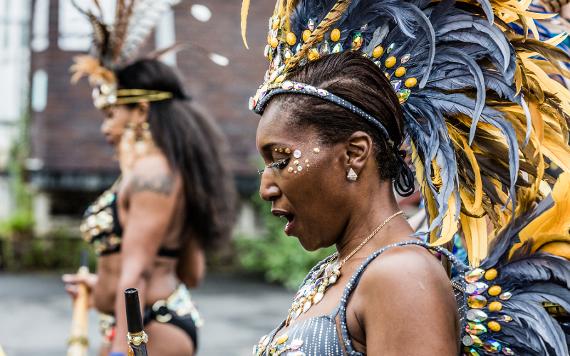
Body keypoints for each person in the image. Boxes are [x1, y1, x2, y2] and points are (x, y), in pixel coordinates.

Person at [242, 0, 570, 354]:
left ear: (355, 153)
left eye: (281, 159)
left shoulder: (401, 275)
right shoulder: (343, 270)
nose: (266, 188)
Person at [62, 2, 235, 356]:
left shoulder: (153, 175)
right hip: (141, 323)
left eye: (111, 113)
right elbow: (191, 271)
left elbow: (135, 277)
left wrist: (122, 351)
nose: (105, 127)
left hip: (147, 329)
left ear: (141, 110)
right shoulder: (165, 171)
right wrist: (99, 286)